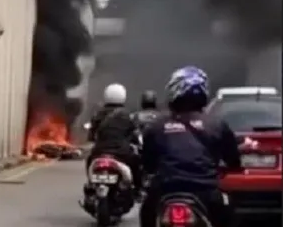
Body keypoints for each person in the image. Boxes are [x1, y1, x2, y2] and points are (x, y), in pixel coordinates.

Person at [138, 66, 242, 227]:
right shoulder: (217, 124)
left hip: (165, 189)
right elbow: (233, 160)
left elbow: (148, 164)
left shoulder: (156, 126)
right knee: (228, 215)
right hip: (206, 191)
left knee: (147, 212)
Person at [86, 83, 143, 194]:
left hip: (100, 151)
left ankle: (90, 184)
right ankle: (138, 189)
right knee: (137, 162)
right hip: (122, 152)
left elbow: (91, 135)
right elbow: (135, 134)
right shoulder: (127, 115)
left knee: (89, 160)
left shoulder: (98, 114)